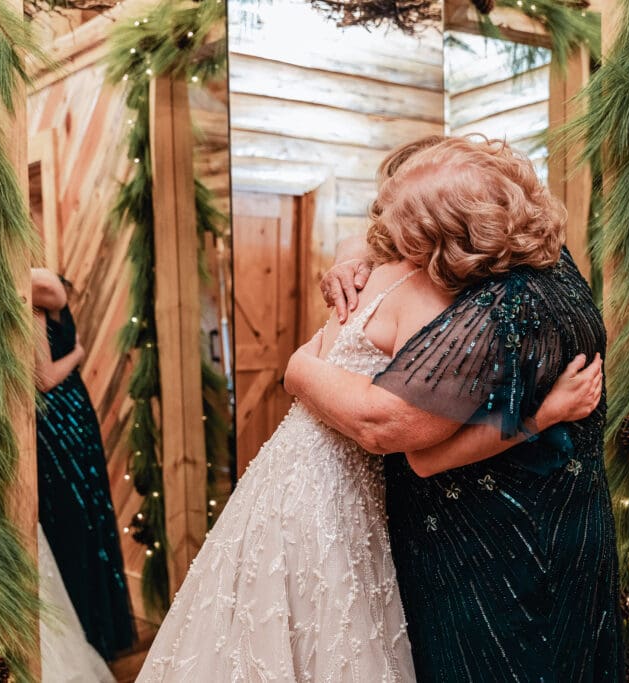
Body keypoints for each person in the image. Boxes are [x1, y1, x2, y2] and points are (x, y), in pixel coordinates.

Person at [135, 137, 603, 681]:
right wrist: (540, 417)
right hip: (335, 486)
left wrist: (300, 365)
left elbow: (389, 425)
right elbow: (413, 449)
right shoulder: (435, 290)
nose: (383, 222)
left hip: (288, 474)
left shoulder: (440, 296)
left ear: (431, 231)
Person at [287, 136, 623, 681]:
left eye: (406, 236)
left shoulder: (494, 311)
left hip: (492, 556)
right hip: (571, 527)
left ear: (443, 243)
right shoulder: (547, 257)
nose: (393, 245)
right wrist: (353, 254)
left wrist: (298, 370)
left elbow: (391, 431)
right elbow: (373, 241)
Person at [32, 268, 135, 661]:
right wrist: (77, 352)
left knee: (71, 520)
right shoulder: (43, 296)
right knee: (84, 516)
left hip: (57, 421)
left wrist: (72, 355)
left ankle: (87, 632)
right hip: (74, 413)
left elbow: (42, 378)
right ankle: (96, 630)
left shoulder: (36, 298)